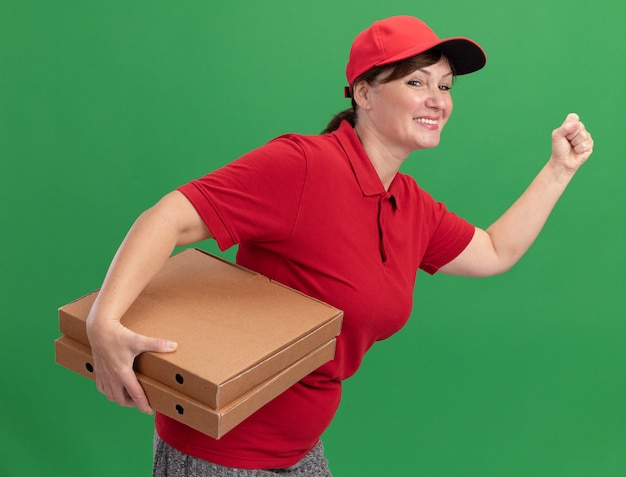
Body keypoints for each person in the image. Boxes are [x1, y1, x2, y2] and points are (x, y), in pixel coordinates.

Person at [85, 15, 594, 477]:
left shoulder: (410, 204)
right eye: (416, 82)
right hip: (222, 454)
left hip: (301, 451)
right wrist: (103, 324)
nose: (437, 98)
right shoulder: (304, 166)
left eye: (445, 84)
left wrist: (558, 170)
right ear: (364, 93)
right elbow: (169, 216)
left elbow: (493, 251)